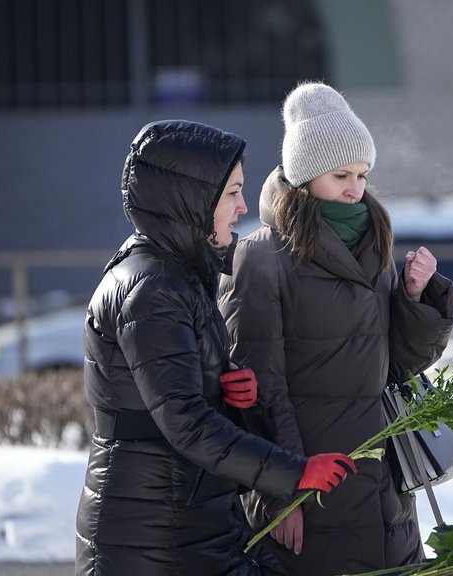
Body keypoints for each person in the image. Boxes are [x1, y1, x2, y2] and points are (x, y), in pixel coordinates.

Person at [76, 119, 359, 575]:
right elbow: (184, 423)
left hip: (186, 518)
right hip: (152, 535)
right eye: (231, 194)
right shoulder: (151, 289)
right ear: (191, 201)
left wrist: (230, 396)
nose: (243, 207)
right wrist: (296, 472)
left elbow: (175, 398)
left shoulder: (177, 275)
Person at [218, 82, 453, 576]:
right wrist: (281, 492)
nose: (355, 188)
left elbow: (398, 366)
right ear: (305, 178)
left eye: (363, 175)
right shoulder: (261, 257)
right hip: (310, 485)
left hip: (382, 481)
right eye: (341, 175)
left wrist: (416, 298)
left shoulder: (375, 245)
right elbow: (258, 387)